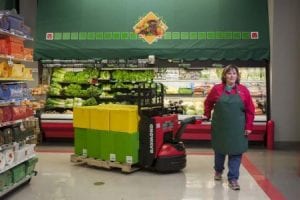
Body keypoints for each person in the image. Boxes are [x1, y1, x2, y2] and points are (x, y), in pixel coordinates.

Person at [202, 64, 255, 190]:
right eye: (229, 73)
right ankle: (218, 171)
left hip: (238, 128)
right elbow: (208, 102)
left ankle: (233, 179)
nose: (232, 76)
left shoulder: (244, 90)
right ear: (224, 76)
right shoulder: (216, 89)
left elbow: (250, 110)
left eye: (234, 73)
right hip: (220, 127)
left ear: (237, 76)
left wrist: (249, 126)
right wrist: (206, 114)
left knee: (236, 153)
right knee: (220, 152)